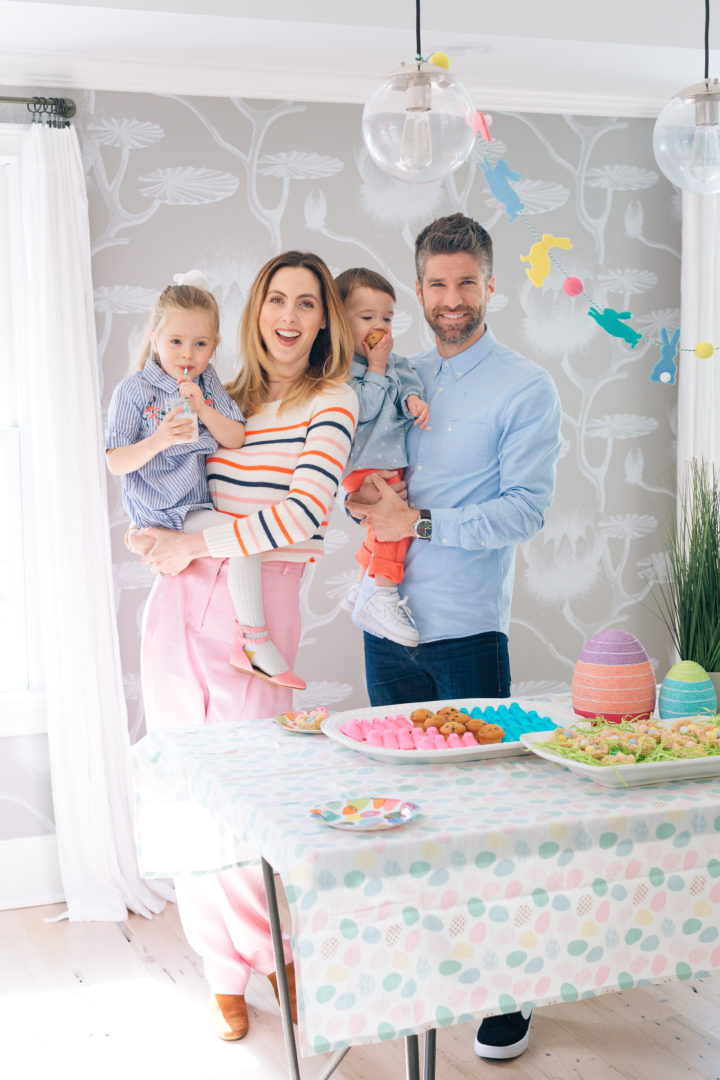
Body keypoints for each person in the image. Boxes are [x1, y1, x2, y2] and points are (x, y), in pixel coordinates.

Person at [346, 213, 563, 1062]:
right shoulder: (395, 374)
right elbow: (363, 463)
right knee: (404, 816)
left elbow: (526, 510)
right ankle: (425, 975)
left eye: (465, 282)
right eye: (435, 284)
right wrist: (365, 502)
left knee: (485, 822)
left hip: (466, 631)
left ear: (491, 285)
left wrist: (420, 520)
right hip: (384, 628)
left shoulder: (524, 387)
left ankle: (506, 993)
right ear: (419, 289)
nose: (450, 299)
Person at [133, 251, 358, 1041]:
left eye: (307, 303)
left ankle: (274, 949)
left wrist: (196, 547)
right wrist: (157, 533)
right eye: (276, 300)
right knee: (187, 790)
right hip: (178, 602)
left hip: (257, 602)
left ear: (325, 319)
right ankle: (222, 969)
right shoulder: (228, 395)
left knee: (249, 795)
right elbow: (173, 482)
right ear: (257, 311)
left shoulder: (334, 401)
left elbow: (300, 518)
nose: (289, 316)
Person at [106, 270, 304, 688]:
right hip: (164, 507)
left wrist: (204, 406)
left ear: (213, 346)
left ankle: (149, 536)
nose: (187, 354)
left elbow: (234, 436)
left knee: (241, 539)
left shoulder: (207, 383)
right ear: (155, 336)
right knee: (243, 541)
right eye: (176, 341)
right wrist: (158, 441)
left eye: (200, 344)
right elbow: (116, 461)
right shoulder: (135, 390)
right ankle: (254, 640)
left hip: (193, 508)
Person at [335, 267, 429, 647]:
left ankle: (361, 586)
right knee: (394, 528)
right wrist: (375, 367)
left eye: (387, 318)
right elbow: (365, 407)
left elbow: (408, 380)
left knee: (381, 526)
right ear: (341, 322)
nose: (380, 326)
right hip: (363, 465)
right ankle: (384, 594)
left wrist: (412, 399)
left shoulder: (394, 361)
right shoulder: (340, 371)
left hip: (389, 462)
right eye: (367, 317)